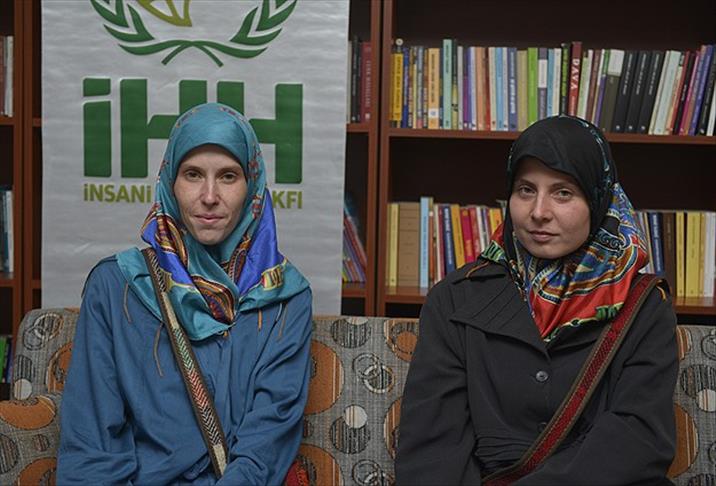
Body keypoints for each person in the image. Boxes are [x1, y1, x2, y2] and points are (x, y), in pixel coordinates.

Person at [395, 115, 678, 485]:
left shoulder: (644, 305)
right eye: (526, 190)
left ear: (598, 200)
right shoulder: (454, 298)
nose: (539, 212)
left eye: (563, 193)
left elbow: (638, 438)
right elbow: (432, 448)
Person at [57, 103, 313, 484]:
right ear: (169, 183)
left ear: (253, 187)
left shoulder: (285, 297)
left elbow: (266, 445)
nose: (209, 196)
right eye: (193, 174)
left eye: (228, 176)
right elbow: (92, 443)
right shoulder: (117, 286)